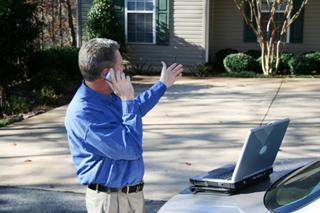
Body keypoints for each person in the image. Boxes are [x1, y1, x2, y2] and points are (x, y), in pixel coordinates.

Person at [64, 38, 183, 213]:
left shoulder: (107, 94)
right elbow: (131, 148)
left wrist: (162, 85)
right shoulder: (84, 113)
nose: (124, 69)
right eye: (120, 65)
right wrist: (127, 99)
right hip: (111, 202)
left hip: (130, 196)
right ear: (106, 73)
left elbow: (134, 109)